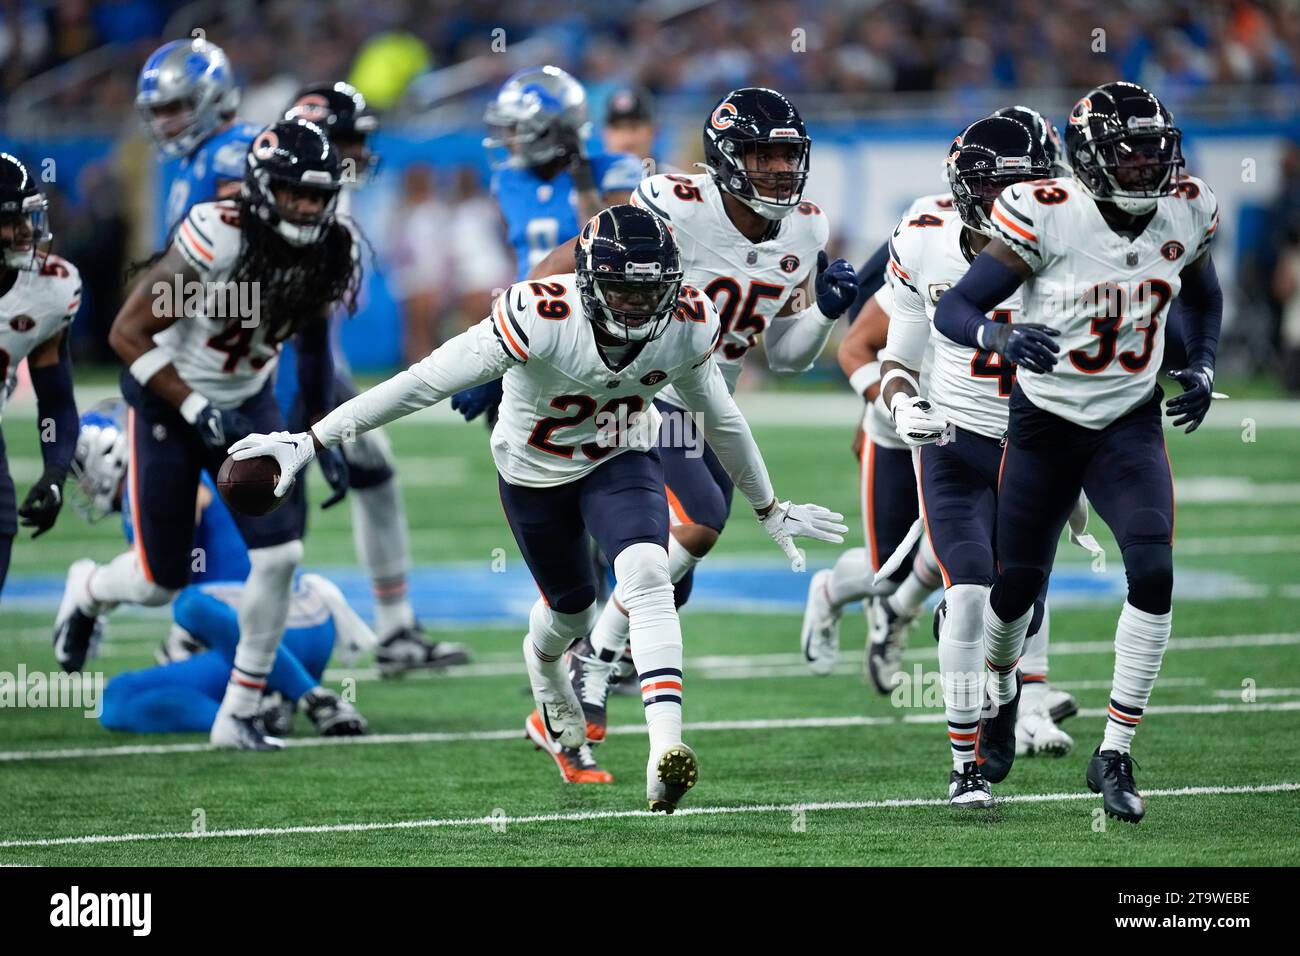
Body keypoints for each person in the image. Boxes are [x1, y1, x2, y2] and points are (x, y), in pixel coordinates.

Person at [229, 204, 846, 811]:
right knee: (570, 615)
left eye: (650, 290)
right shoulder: (539, 316)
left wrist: (769, 507)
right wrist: (311, 439)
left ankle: (666, 753)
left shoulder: (686, 320)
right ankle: (548, 672)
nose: (637, 304)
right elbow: (420, 383)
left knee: (648, 575)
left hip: (619, 458)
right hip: (533, 475)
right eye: (623, 291)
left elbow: (722, 418)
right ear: (588, 282)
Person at [527, 88, 857, 777]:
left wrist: (825, 312)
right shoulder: (673, 203)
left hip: (707, 397)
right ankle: (595, 665)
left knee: (676, 556)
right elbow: (572, 261)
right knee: (703, 519)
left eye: (786, 155)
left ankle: (593, 662)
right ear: (727, 158)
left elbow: (789, 357)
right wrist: (516, 330)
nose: (776, 169)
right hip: (642, 389)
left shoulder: (804, 229)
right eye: (761, 154)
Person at [932, 82, 1222, 822]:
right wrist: (995, 335)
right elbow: (956, 306)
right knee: (1013, 596)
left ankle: (1116, 751)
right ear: (1092, 158)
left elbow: (1200, 293)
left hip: (1128, 421)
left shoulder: (1189, 206)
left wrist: (1203, 362)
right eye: (1129, 150)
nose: (1146, 162)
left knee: (1153, 569)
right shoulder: (1046, 214)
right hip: (1045, 424)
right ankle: (999, 698)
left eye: (1156, 146)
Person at [52, 120, 358, 751]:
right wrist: (193, 406)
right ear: (261, 188)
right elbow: (126, 335)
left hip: (248, 400)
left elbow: (314, 346)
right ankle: (87, 589)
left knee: (281, 556)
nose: (307, 206)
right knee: (159, 580)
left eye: (317, 195)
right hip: (167, 399)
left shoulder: (332, 247)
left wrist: (321, 434)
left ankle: (240, 712)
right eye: (294, 192)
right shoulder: (217, 236)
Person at [875, 115, 1070, 807]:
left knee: (1014, 607)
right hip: (955, 445)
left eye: (1022, 186)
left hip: (1039, 450)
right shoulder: (925, 238)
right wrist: (902, 407)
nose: (1006, 202)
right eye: (993, 187)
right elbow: (896, 359)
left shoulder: (1073, 243)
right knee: (965, 597)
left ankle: (1009, 691)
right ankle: (965, 767)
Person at [276, 83, 469, 672]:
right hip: (274, 374)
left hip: (317, 368)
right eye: (351, 139)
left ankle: (393, 629)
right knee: (270, 515)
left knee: (372, 470)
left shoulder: (331, 202)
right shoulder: (299, 209)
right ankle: (236, 646)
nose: (361, 151)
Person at [450, 66, 644, 425]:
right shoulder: (507, 180)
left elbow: (606, 241)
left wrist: (582, 176)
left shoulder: (618, 169)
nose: (508, 137)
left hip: (593, 325)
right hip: (532, 322)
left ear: (550, 130)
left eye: (516, 127)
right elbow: (523, 264)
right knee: (510, 438)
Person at [0, 154, 81, 600]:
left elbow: (55, 400)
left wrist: (54, 471)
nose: (27, 232)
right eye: (11, 221)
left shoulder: (50, 290)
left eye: (29, 217)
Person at [135, 37, 260, 245]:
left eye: (173, 108)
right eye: (156, 111)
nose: (161, 122)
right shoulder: (200, 152)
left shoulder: (235, 152)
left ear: (213, 96)